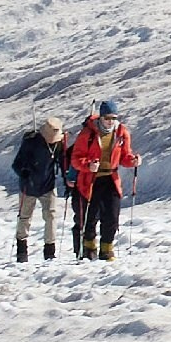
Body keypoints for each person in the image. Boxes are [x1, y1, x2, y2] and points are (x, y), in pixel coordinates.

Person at [68, 103, 138, 262]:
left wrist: (132, 161)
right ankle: (89, 249)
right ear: (101, 117)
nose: (110, 121)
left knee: (112, 216)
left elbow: (125, 156)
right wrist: (89, 165)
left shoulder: (121, 132)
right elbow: (76, 159)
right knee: (90, 217)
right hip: (90, 180)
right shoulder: (88, 133)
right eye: (107, 118)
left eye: (114, 118)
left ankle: (107, 250)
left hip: (111, 178)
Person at [11, 118, 66, 262]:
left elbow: (62, 163)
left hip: (48, 185)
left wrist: (67, 181)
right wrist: (23, 172)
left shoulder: (59, 144)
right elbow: (16, 164)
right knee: (24, 217)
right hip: (28, 186)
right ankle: (21, 251)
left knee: (51, 216)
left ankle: (50, 252)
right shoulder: (30, 142)